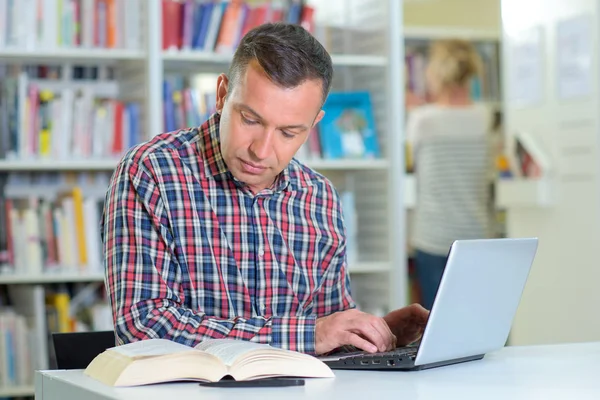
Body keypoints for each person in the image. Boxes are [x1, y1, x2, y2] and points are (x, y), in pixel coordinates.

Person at [102, 22, 428, 356]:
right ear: (221, 95)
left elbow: (327, 330)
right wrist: (308, 335)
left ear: (314, 125)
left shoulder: (320, 197)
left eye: (288, 133)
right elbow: (144, 328)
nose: (261, 150)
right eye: (251, 120)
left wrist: (368, 335)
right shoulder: (151, 172)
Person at [406, 39, 493, 310]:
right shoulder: (485, 117)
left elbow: (413, 163)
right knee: (476, 315)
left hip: (434, 236)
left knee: (436, 320)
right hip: (477, 235)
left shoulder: (423, 119)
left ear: (436, 74)